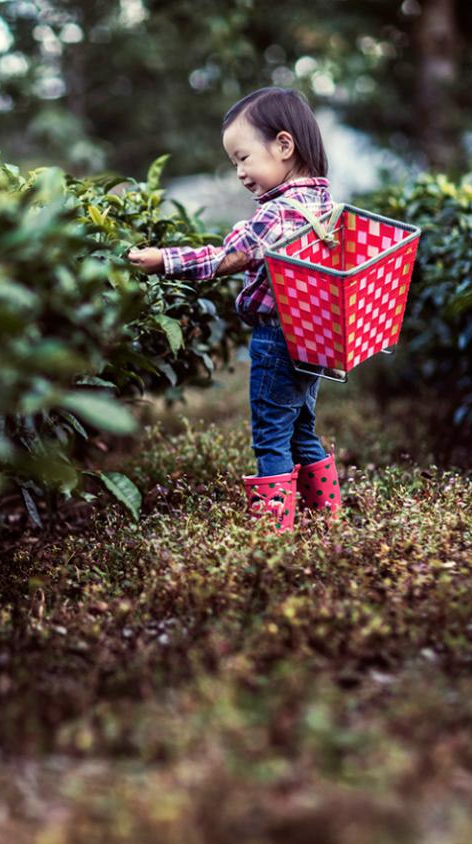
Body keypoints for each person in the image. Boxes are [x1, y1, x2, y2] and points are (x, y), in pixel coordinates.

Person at [127, 87, 342, 533]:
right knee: (300, 425)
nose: (239, 171)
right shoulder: (322, 204)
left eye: (243, 157)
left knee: (270, 432)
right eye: (234, 163)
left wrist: (163, 260)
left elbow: (228, 258)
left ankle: (273, 531)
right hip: (312, 335)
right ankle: (329, 517)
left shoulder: (278, 212)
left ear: (284, 145)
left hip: (278, 338)